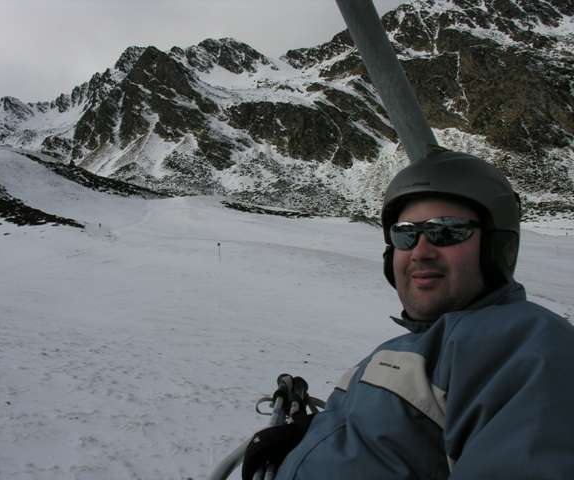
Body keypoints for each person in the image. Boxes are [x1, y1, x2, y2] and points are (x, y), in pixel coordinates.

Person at [243, 149, 574, 479]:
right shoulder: (404, 349)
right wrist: (310, 443)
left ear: (495, 246)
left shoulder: (529, 349)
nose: (420, 251)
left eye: (446, 231)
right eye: (405, 233)